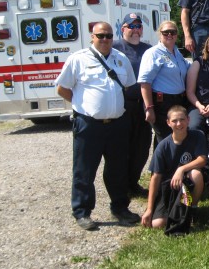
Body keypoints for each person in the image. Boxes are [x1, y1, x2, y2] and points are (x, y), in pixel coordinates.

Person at [55, 21, 140, 230]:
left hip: (117, 124)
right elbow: (62, 89)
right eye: (100, 36)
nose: (105, 40)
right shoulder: (78, 59)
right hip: (88, 125)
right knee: (84, 170)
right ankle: (82, 212)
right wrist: (81, 106)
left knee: (118, 169)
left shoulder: (121, 59)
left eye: (109, 36)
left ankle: (120, 208)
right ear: (92, 37)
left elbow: (129, 86)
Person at [141, 105, 206, 229]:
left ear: (188, 120)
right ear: (168, 123)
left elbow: (202, 160)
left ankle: (192, 209)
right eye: (174, 121)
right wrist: (149, 209)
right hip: (169, 187)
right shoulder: (163, 146)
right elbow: (155, 178)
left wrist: (181, 169)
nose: (179, 124)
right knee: (157, 224)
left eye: (182, 119)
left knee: (196, 174)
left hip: (186, 182)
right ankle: (175, 210)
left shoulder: (198, 135)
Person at [112, 13, 153, 197]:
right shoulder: (114, 48)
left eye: (138, 27)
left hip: (143, 104)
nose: (136, 30)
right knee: (123, 148)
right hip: (124, 105)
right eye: (131, 27)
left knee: (142, 147)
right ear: (123, 29)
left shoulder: (148, 49)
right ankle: (122, 186)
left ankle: (134, 182)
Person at [139, 20, 190, 147]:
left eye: (172, 32)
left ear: (177, 35)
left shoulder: (177, 53)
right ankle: (162, 166)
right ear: (159, 34)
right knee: (165, 139)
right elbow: (145, 82)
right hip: (161, 103)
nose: (169, 35)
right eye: (165, 32)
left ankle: (165, 166)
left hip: (178, 101)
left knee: (175, 137)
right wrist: (149, 108)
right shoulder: (153, 53)